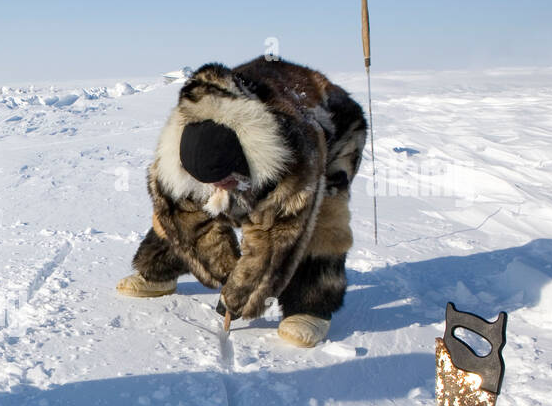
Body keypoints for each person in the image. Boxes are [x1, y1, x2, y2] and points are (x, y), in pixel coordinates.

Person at [116, 58, 367, 347]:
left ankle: (312, 304)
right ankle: (158, 270)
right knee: (185, 207)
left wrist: (240, 293)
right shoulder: (175, 152)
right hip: (261, 117)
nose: (216, 188)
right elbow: (179, 214)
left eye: (225, 180)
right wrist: (224, 271)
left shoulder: (293, 153)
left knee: (323, 214)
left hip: (331, 120)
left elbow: (274, 237)